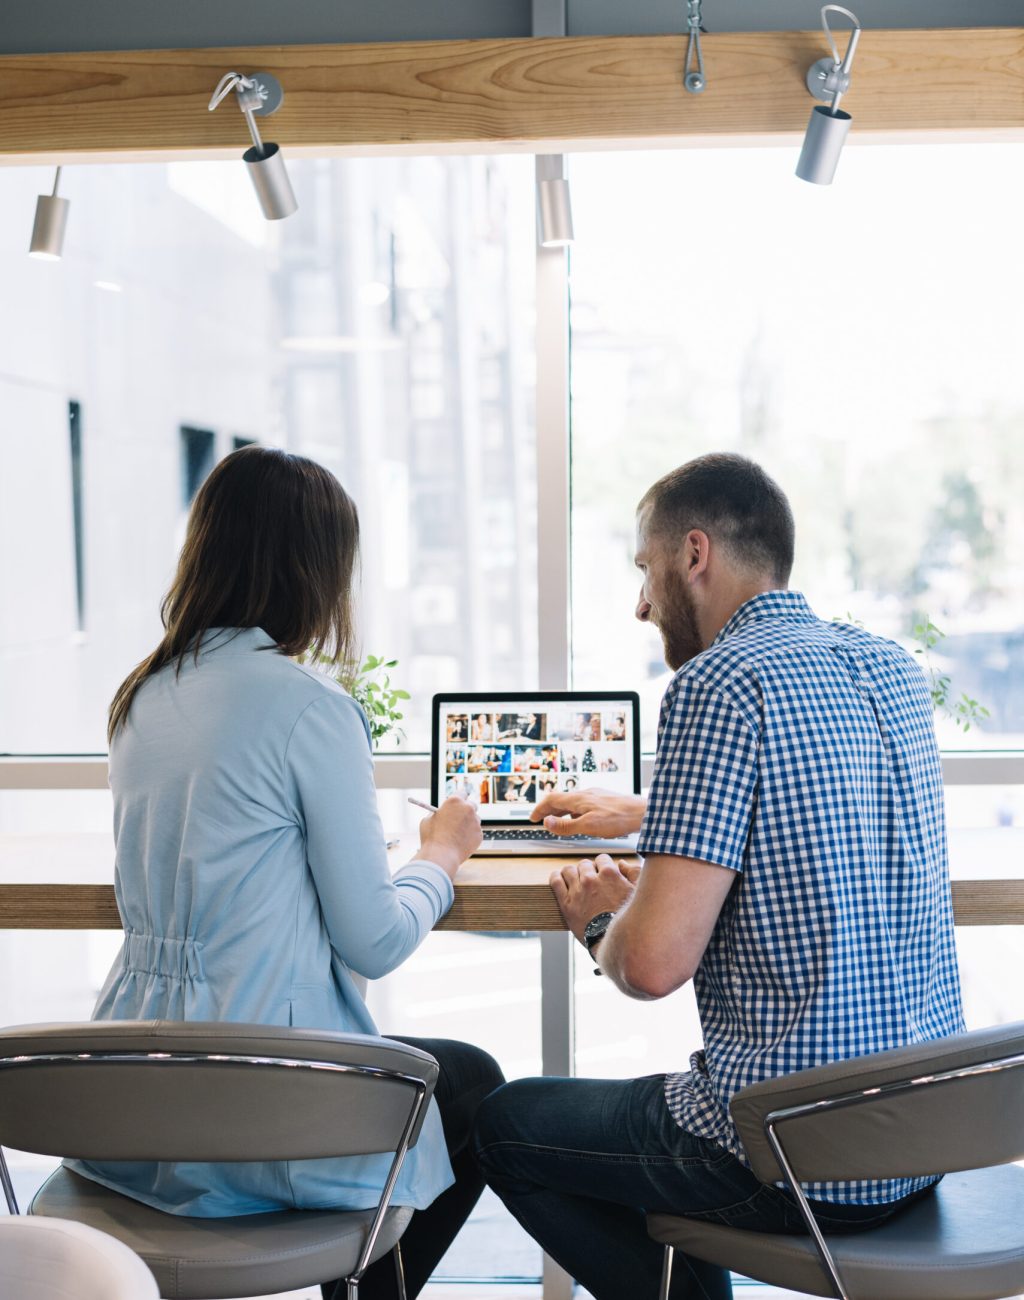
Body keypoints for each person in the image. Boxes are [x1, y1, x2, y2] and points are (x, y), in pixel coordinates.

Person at [473, 452, 963, 1300]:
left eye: (645, 571)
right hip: (919, 1139)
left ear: (693, 554)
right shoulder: (889, 669)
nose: (640, 603)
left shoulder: (718, 684)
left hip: (794, 1154)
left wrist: (601, 923)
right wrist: (647, 813)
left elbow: (652, 967)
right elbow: (813, 798)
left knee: (502, 1126)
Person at [68, 447, 503, 1300]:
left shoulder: (143, 696)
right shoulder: (310, 708)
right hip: (253, 1105)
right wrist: (441, 856)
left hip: (133, 1099)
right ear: (313, 572)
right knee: (475, 1086)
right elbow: (373, 940)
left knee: (434, 1074)